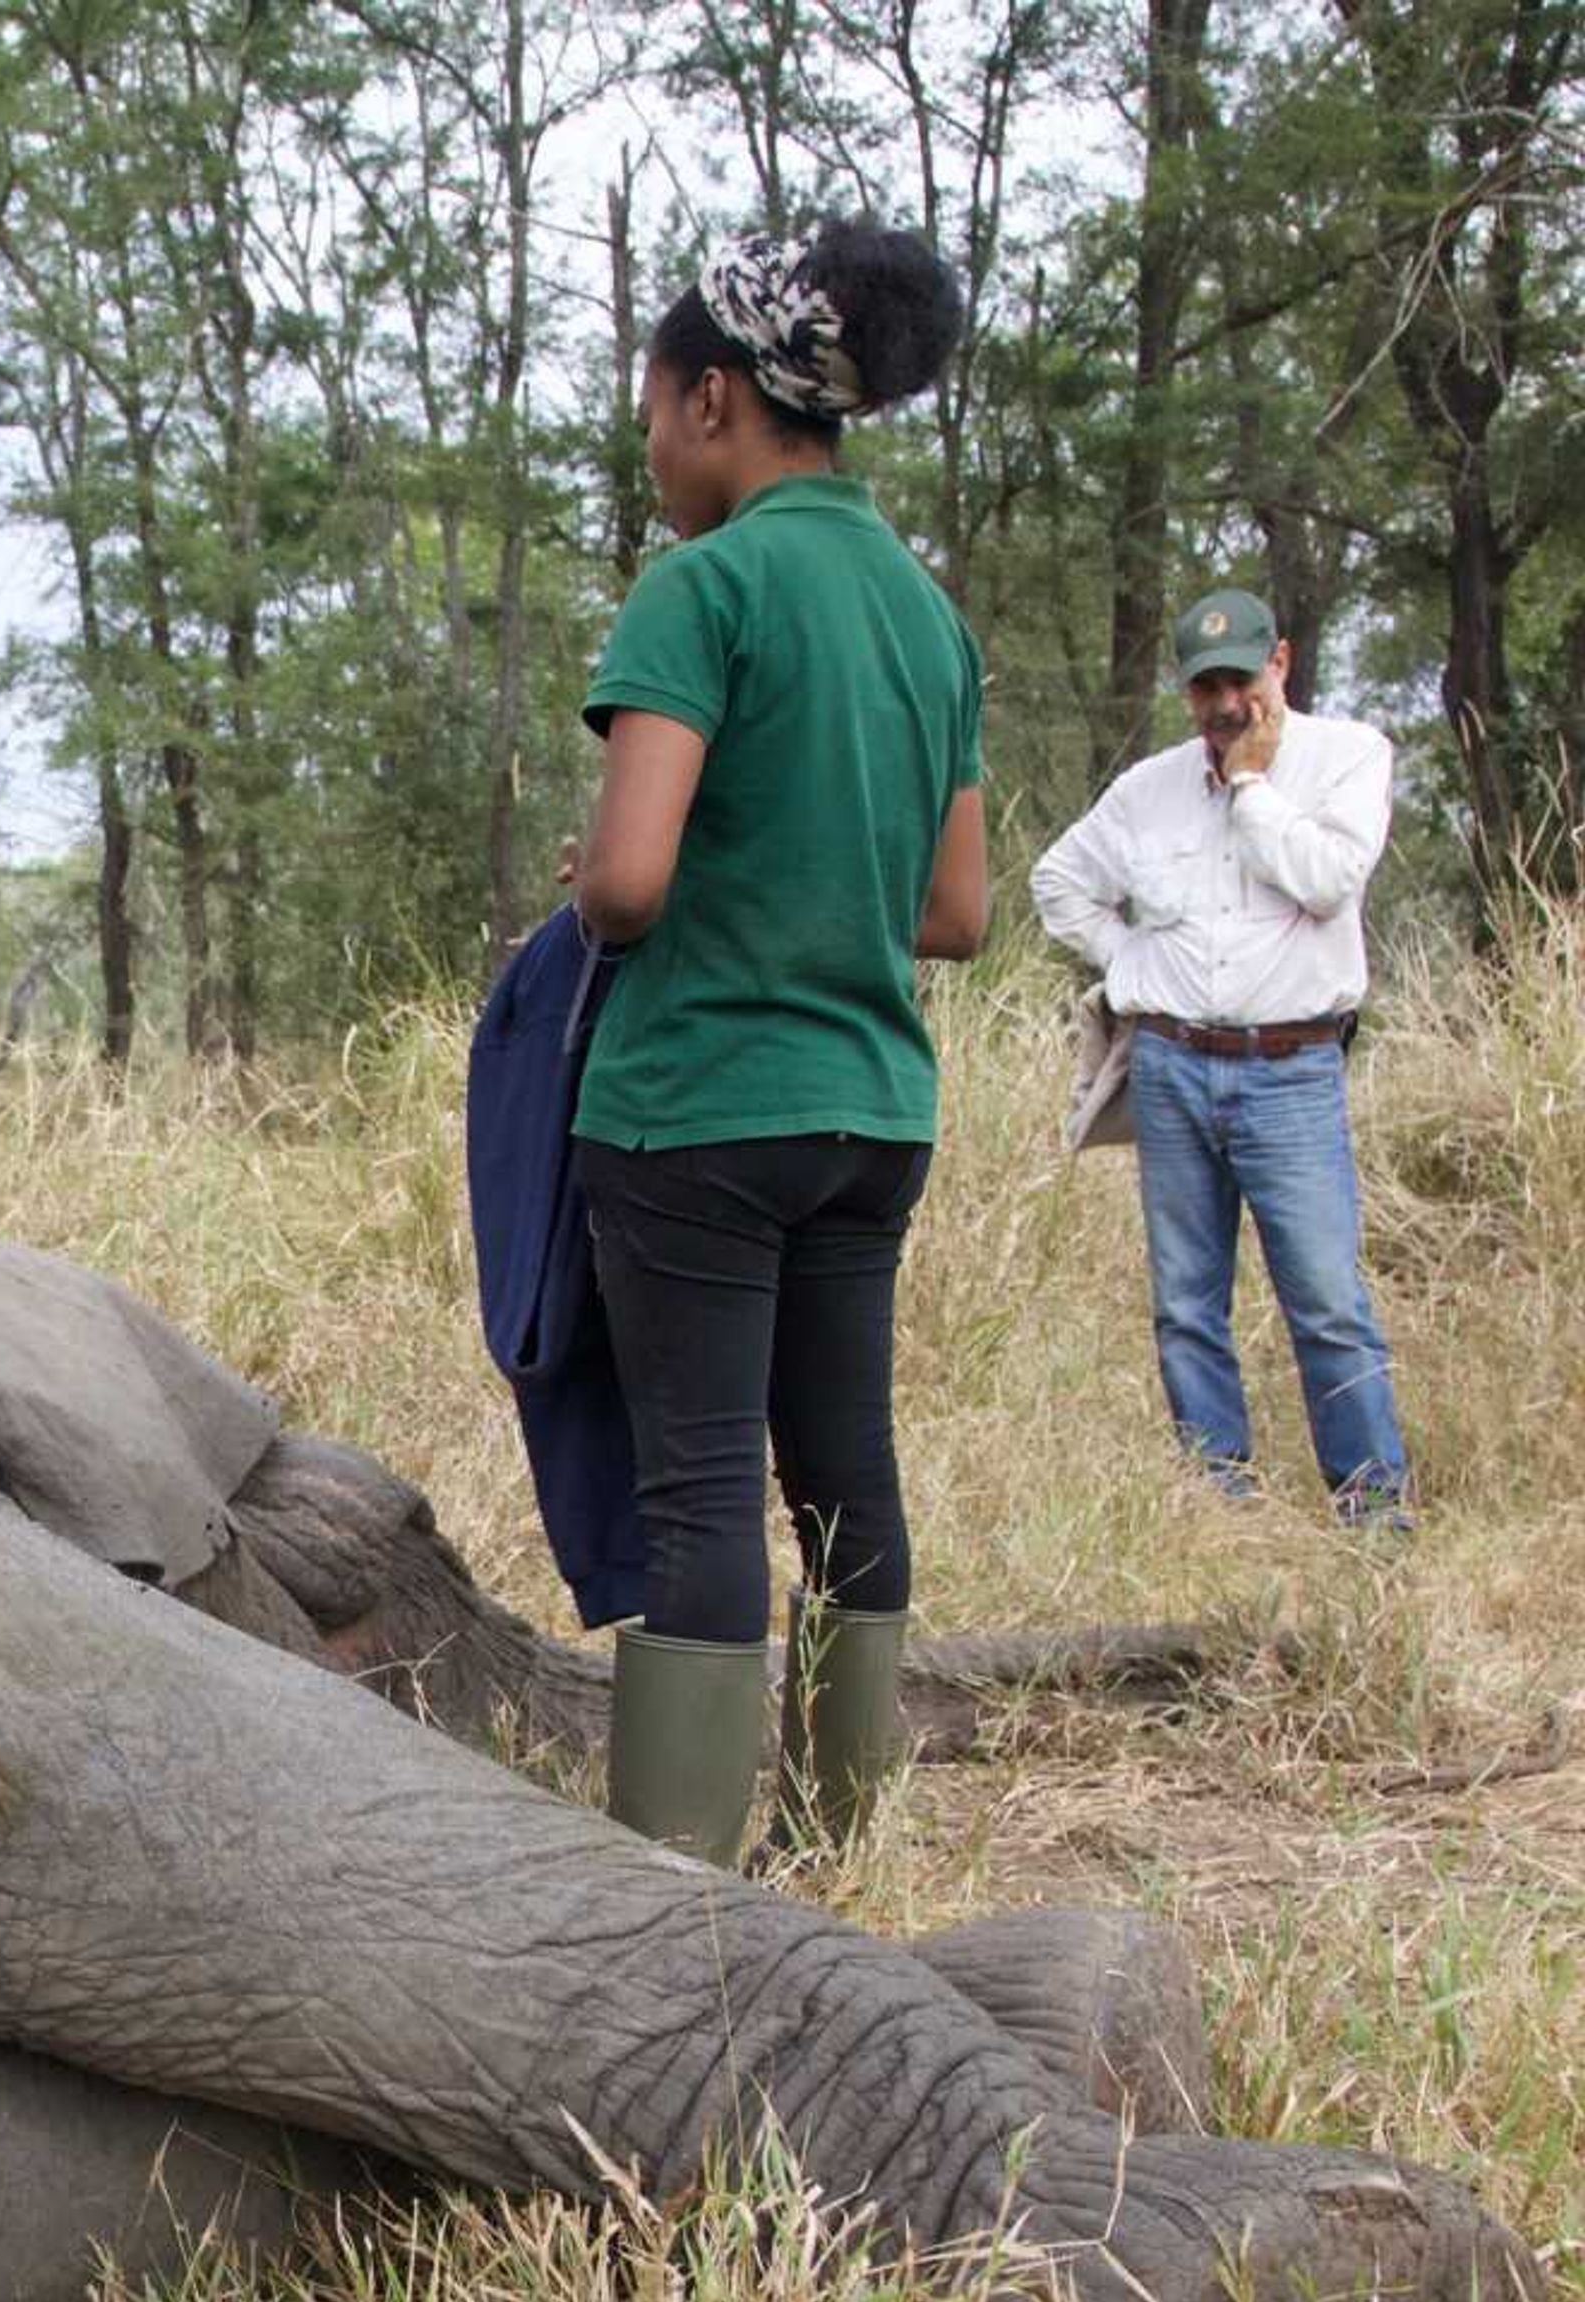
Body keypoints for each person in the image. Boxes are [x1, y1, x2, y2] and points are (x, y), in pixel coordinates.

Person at [565, 222, 988, 1865]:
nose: (656, 444)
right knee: (845, 1480)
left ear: (716, 397)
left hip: (697, 1110)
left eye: (660, 410)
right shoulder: (926, 617)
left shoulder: (704, 587)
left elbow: (628, 883)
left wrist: (599, 884)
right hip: (873, 1110)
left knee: (696, 1494)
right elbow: (952, 912)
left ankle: (675, 1890)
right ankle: (839, 1850)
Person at [1030, 592, 1411, 1524]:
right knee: (1188, 1300)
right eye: (1204, 687)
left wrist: (1248, 786)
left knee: (1324, 1296)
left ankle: (1373, 1505)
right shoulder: (1148, 789)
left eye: (1239, 679)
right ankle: (1217, 1496)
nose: (1224, 704)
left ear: (1279, 663)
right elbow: (1058, 883)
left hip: (1292, 1066)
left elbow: (1327, 884)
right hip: (1171, 1063)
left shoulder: (1347, 757)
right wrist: (1131, 963)